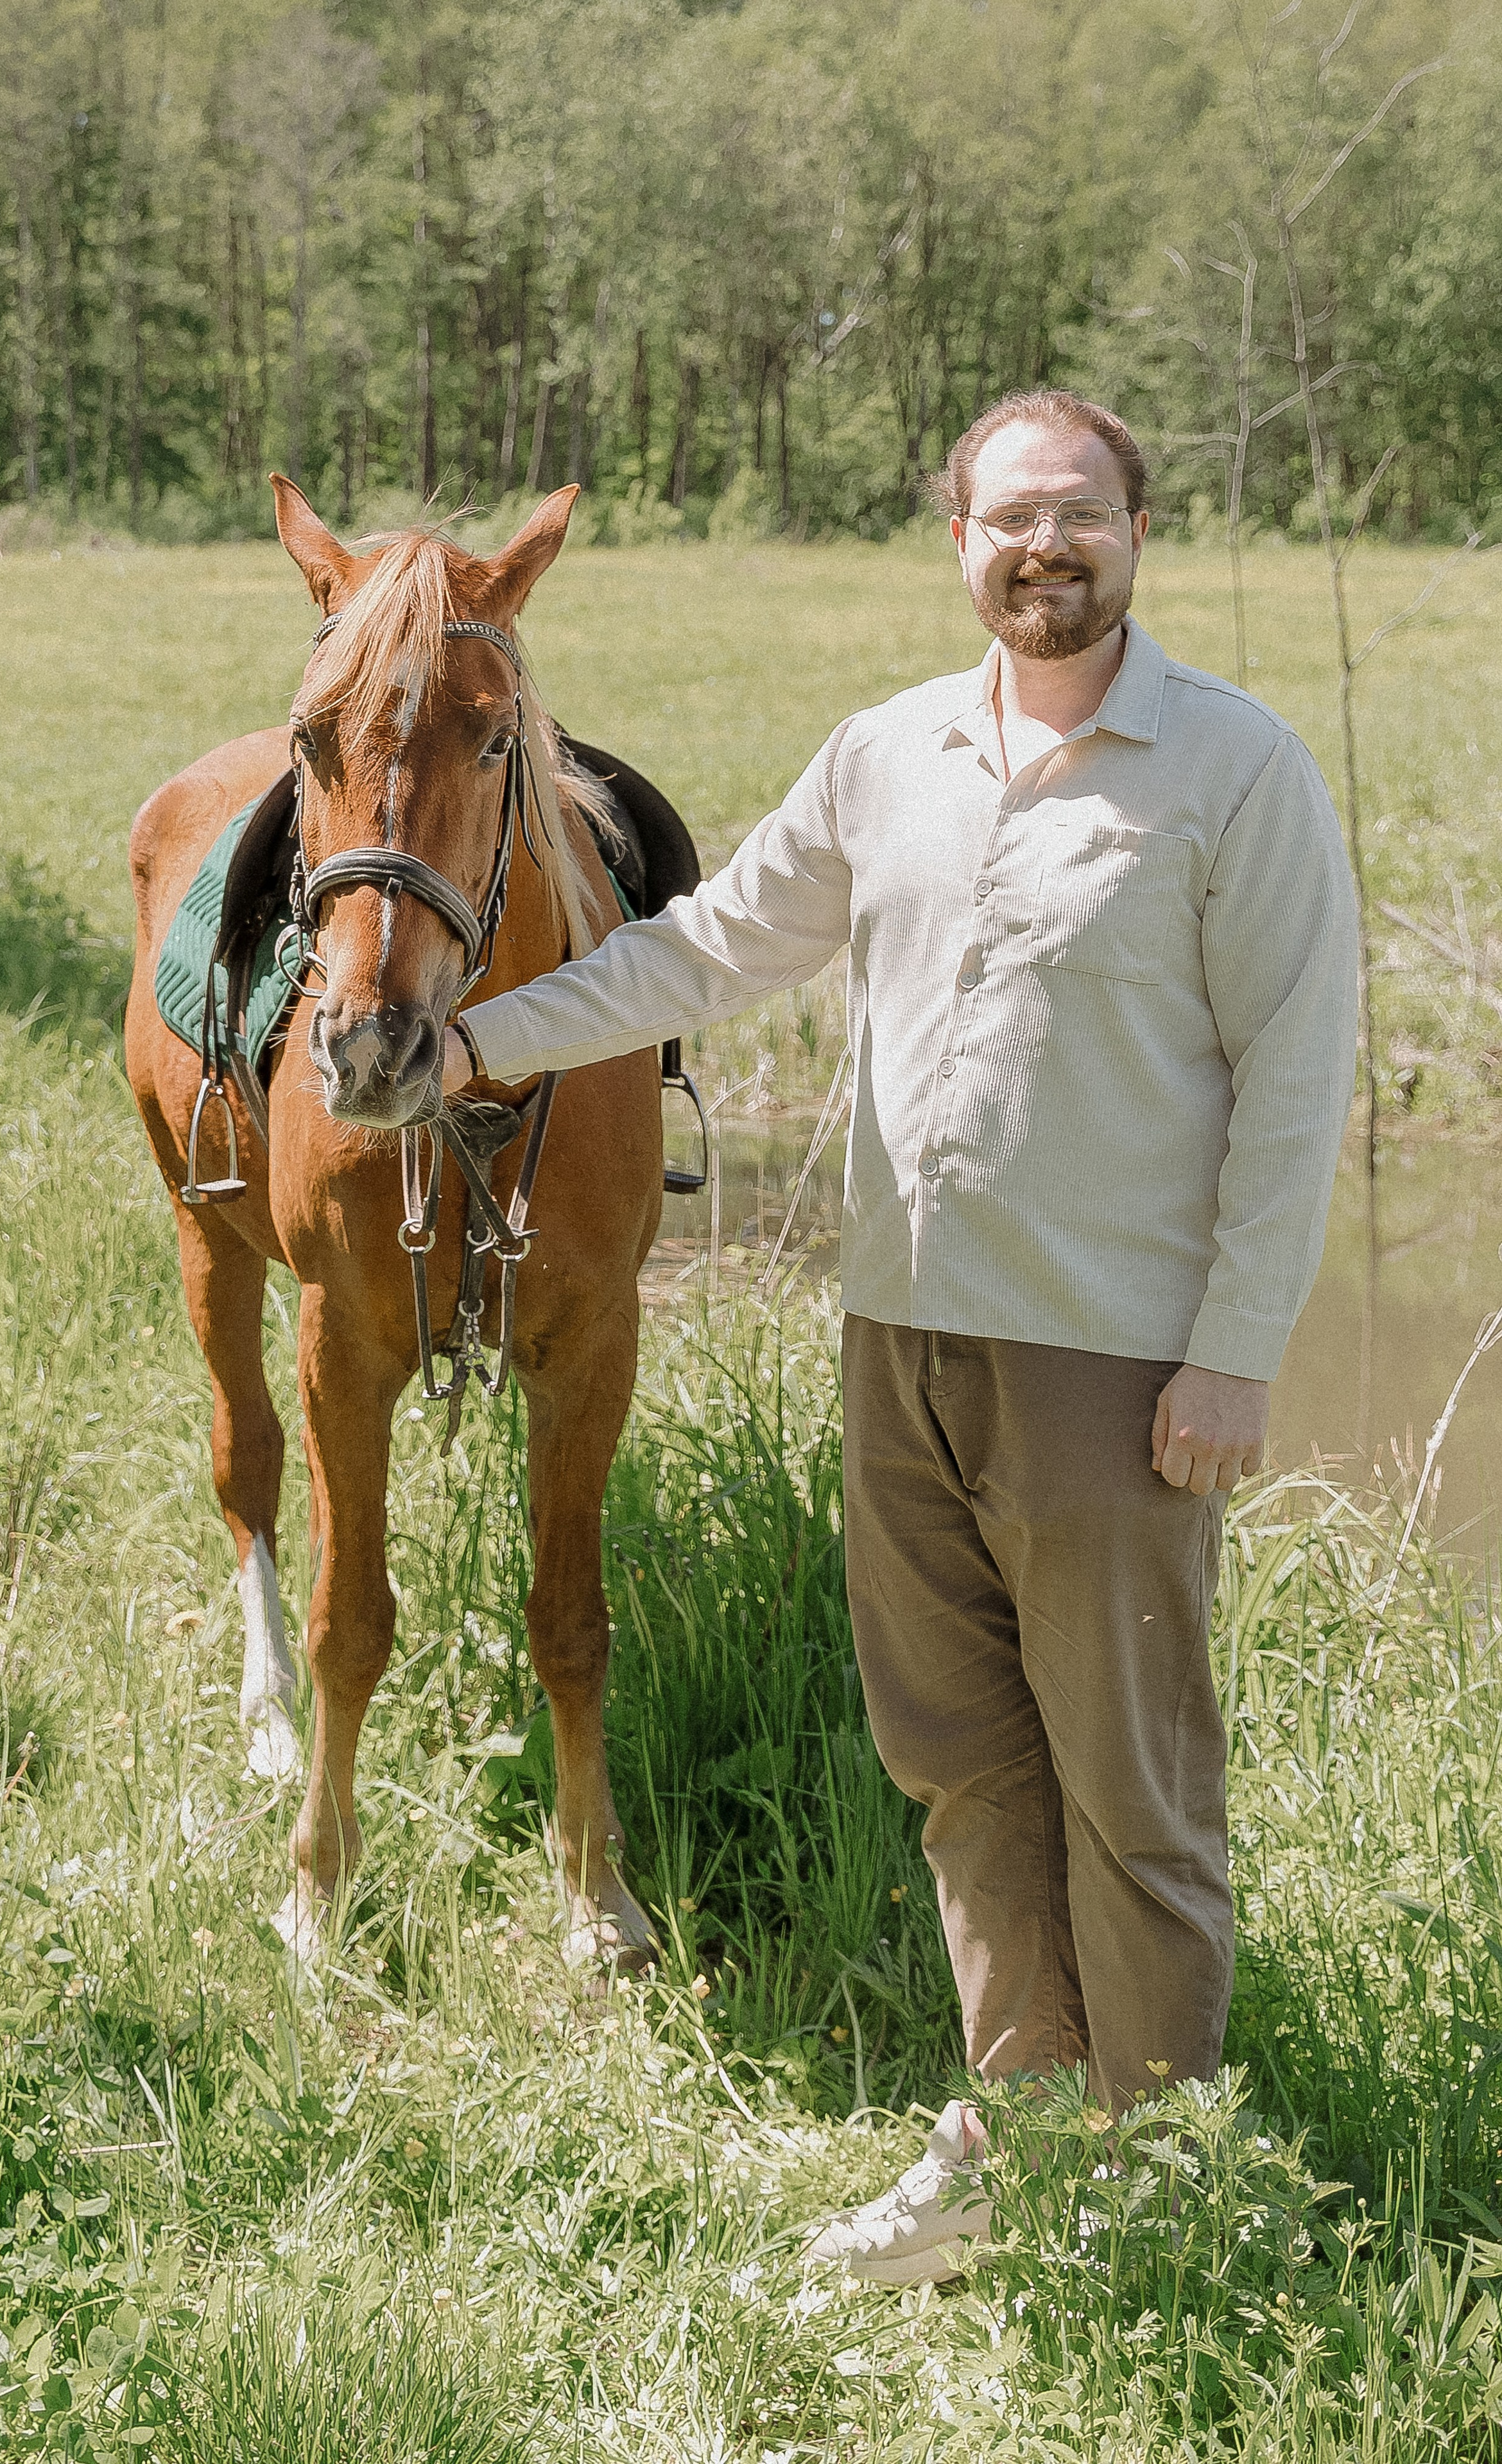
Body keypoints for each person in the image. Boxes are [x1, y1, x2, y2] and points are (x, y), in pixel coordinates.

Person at [443, 388, 1358, 2286]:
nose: (1045, 546)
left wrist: (1238, 1349)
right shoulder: (888, 755)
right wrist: (475, 1044)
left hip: (1114, 1367)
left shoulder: (1234, 768)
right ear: (959, 543)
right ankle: (1022, 2145)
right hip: (900, 1345)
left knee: (1131, 1788)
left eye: (1079, 513)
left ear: (1137, 532)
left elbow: (1295, 1079)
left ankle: (1160, 2185)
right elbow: (704, 949)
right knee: (959, 1761)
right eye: (1009, 517)